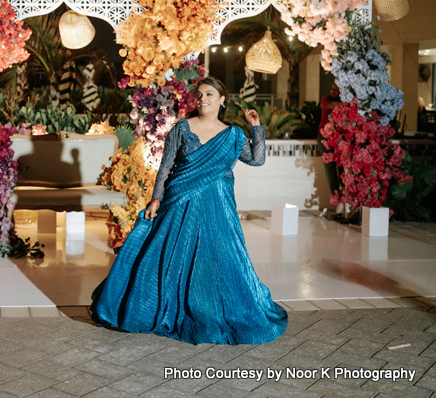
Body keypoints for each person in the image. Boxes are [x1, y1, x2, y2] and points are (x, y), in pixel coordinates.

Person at [91, 77, 287, 345]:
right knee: (167, 257)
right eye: (200, 94)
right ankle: (151, 307)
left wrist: (256, 127)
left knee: (222, 260)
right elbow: (166, 166)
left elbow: (256, 159)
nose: (203, 99)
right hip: (180, 201)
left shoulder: (233, 135)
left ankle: (214, 308)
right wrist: (156, 200)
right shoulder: (182, 128)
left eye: (209, 94)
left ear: (222, 100)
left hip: (219, 207)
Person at [319, 83, 345, 218]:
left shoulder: (342, 101)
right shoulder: (326, 99)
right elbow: (331, 106)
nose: (332, 91)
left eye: (336, 90)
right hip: (324, 136)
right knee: (329, 167)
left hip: (338, 137)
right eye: (332, 89)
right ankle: (335, 194)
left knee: (341, 167)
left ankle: (343, 197)